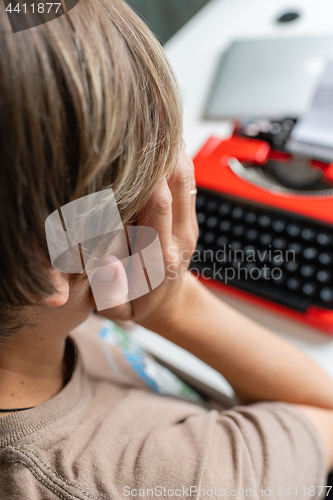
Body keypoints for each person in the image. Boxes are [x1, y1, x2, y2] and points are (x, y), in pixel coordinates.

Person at [0, 1, 333, 499]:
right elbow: (325, 415)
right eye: (144, 194)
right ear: (54, 266)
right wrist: (176, 305)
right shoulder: (187, 476)